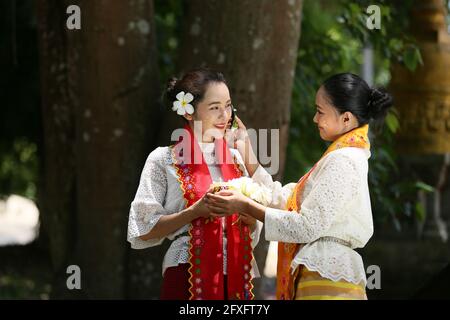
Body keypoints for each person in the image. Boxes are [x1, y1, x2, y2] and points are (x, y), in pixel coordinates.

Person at [205, 73, 393, 300]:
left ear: (346, 119)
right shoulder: (340, 156)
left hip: (327, 280)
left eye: (320, 111)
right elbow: (287, 199)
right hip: (321, 276)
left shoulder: (344, 159)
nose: (315, 118)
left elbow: (307, 225)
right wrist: (244, 147)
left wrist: (245, 204)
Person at [127, 68, 263, 300]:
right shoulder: (164, 159)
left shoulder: (237, 159)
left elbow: (252, 226)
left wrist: (250, 221)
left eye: (228, 105)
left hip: (236, 271)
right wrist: (194, 212)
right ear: (189, 112)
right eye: (215, 107)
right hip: (186, 270)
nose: (225, 115)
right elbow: (143, 228)